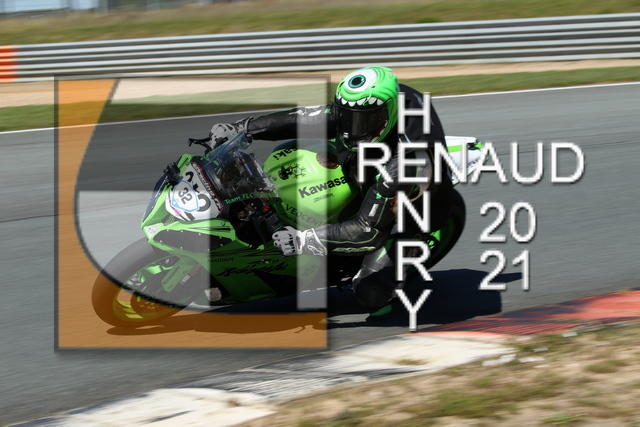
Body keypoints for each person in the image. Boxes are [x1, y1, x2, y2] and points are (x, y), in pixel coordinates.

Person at [207, 66, 453, 314]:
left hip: (412, 209)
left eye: (364, 121)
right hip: (371, 169)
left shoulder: (406, 163)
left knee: (371, 294)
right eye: (348, 116)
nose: (352, 128)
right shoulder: (369, 105)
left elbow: (367, 231)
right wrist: (242, 128)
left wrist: (304, 240)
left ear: (388, 114)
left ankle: (409, 249)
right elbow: (302, 118)